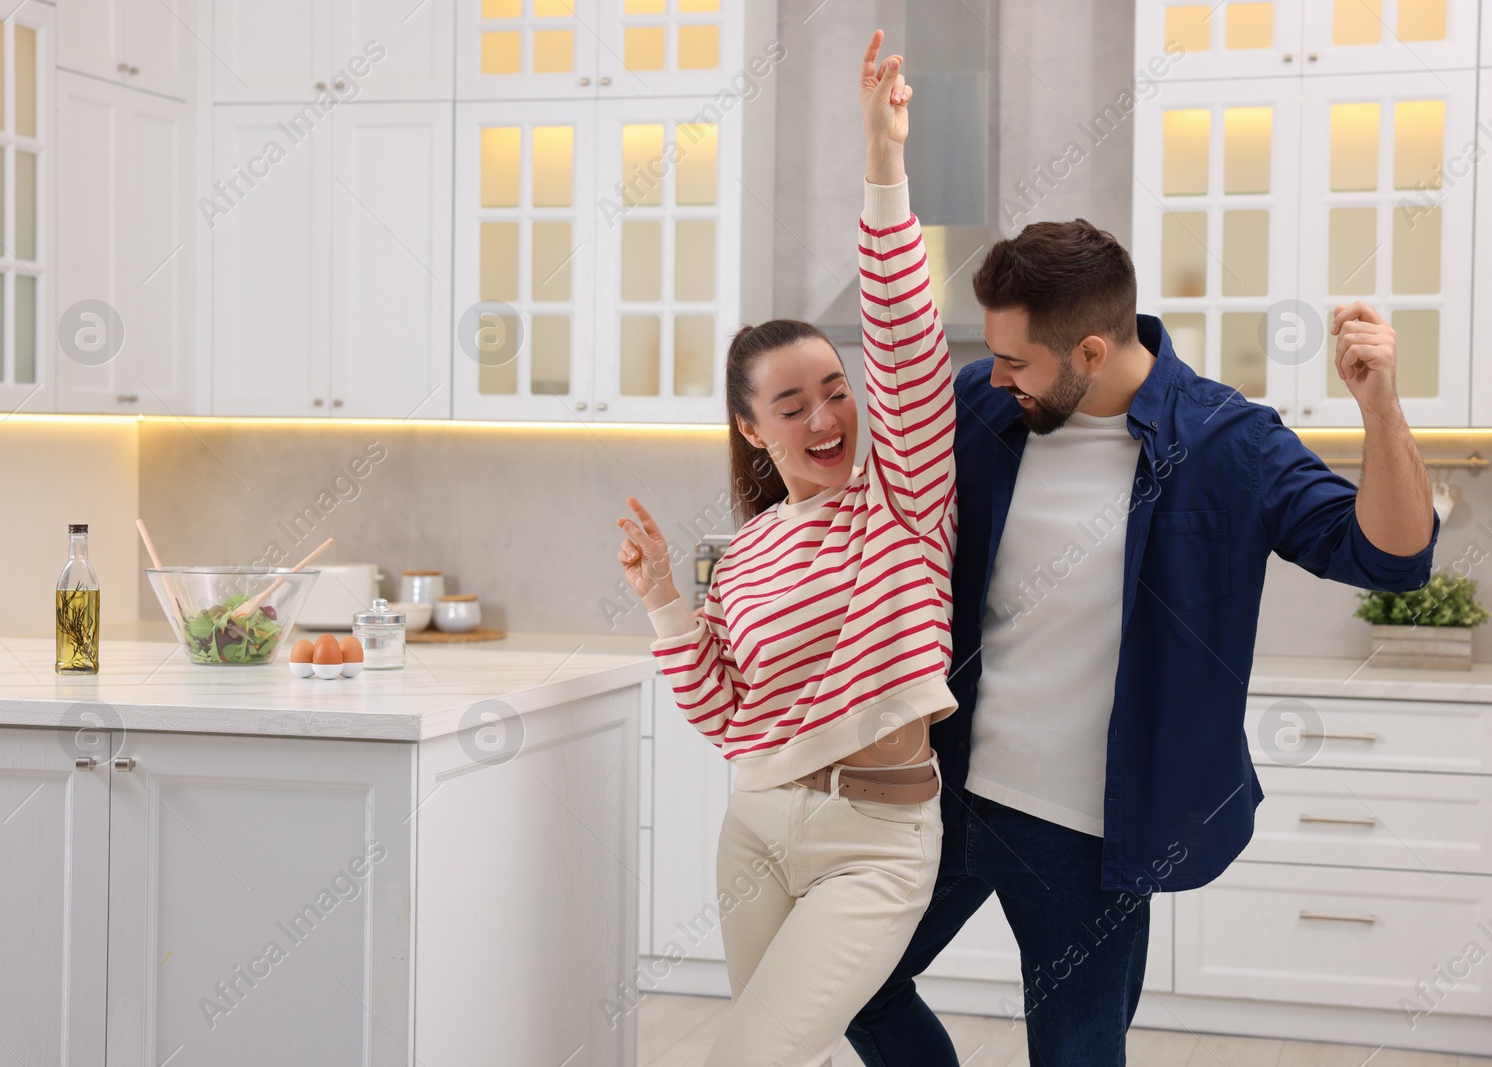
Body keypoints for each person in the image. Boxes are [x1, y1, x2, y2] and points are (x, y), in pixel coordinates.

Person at [845, 197, 1438, 1061]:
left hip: (1087, 836)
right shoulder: (987, 404)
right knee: (855, 985)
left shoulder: (1227, 440)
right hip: (948, 793)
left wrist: (1380, 409)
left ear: (1091, 351)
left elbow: (1390, 555)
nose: (995, 373)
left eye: (1015, 359)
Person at [614, 30, 958, 1065]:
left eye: (835, 387)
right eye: (791, 402)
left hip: (876, 841)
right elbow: (723, 712)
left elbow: (900, 332)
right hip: (755, 827)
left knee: (740, 1055)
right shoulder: (752, 546)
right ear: (754, 430)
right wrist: (666, 598)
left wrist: (882, 158)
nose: (826, 413)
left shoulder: (900, 497)